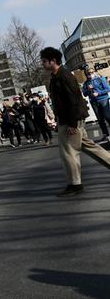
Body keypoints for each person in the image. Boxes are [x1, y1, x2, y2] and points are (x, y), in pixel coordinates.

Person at [41, 47, 110, 196]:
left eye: (44, 61)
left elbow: (72, 101)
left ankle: (75, 184)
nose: (43, 64)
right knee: (88, 146)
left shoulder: (63, 76)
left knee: (69, 153)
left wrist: (71, 124)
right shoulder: (58, 76)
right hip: (69, 119)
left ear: (53, 61)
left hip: (70, 120)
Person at [81, 67, 110, 143]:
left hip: (103, 99)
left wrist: (99, 93)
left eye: (91, 72)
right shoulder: (86, 83)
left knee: (107, 116)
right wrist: (88, 89)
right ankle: (106, 134)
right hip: (94, 102)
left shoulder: (100, 79)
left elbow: (108, 89)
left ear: (94, 72)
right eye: (88, 73)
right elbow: (84, 94)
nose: (90, 74)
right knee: (100, 119)